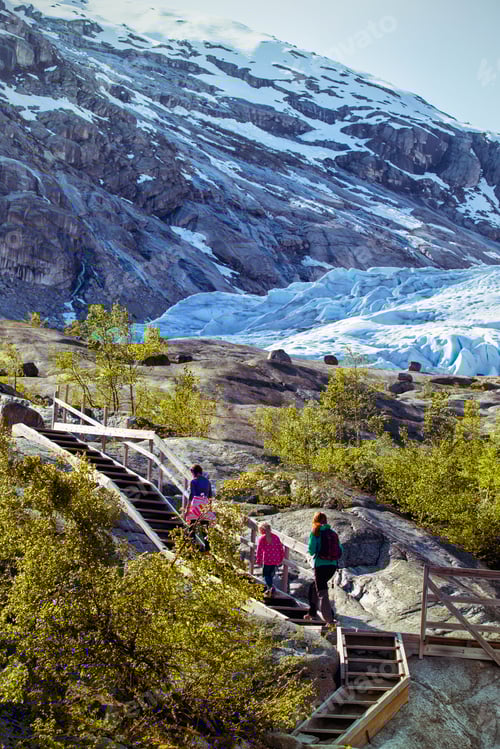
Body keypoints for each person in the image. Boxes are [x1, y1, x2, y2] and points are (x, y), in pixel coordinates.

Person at [305, 511, 342, 626]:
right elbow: (340, 549)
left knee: (322, 593)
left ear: (315, 520)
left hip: (320, 565)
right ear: (326, 521)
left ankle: (329, 620)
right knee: (314, 586)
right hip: (332, 566)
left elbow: (311, 549)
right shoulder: (333, 533)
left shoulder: (316, 532)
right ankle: (311, 613)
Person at [185, 464, 213, 552]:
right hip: (205, 504)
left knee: (192, 525)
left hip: (196, 504)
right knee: (205, 527)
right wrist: (210, 509)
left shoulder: (194, 481)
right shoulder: (208, 482)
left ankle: (191, 547)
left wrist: (187, 508)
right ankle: (207, 548)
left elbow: (191, 495)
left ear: (194, 472)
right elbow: (210, 496)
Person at [255, 522, 285, 595]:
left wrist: (258, 560)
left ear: (261, 530)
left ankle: (271, 587)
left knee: (266, 574)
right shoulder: (275, 537)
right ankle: (270, 589)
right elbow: (281, 548)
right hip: (275, 559)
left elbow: (259, 551)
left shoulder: (262, 538)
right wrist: (281, 558)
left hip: (267, 560)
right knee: (271, 574)